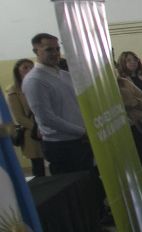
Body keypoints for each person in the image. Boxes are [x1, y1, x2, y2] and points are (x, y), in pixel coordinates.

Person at [22, 33, 92, 174]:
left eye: (57, 49)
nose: (55, 53)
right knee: (71, 190)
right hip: (61, 145)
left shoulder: (65, 75)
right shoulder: (35, 80)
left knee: (87, 186)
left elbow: (78, 106)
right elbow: (47, 119)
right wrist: (82, 132)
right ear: (36, 51)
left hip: (81, 141)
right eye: (49, 49)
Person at [7, 59, 44, 176]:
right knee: (38, 167)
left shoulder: (39, 85)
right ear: (17, 71)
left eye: (31, 67)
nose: (29, 70)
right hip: (32, 133)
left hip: (48, 129)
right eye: (25, 68)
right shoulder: (13, 91)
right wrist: (38, 129)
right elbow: (19, 117)